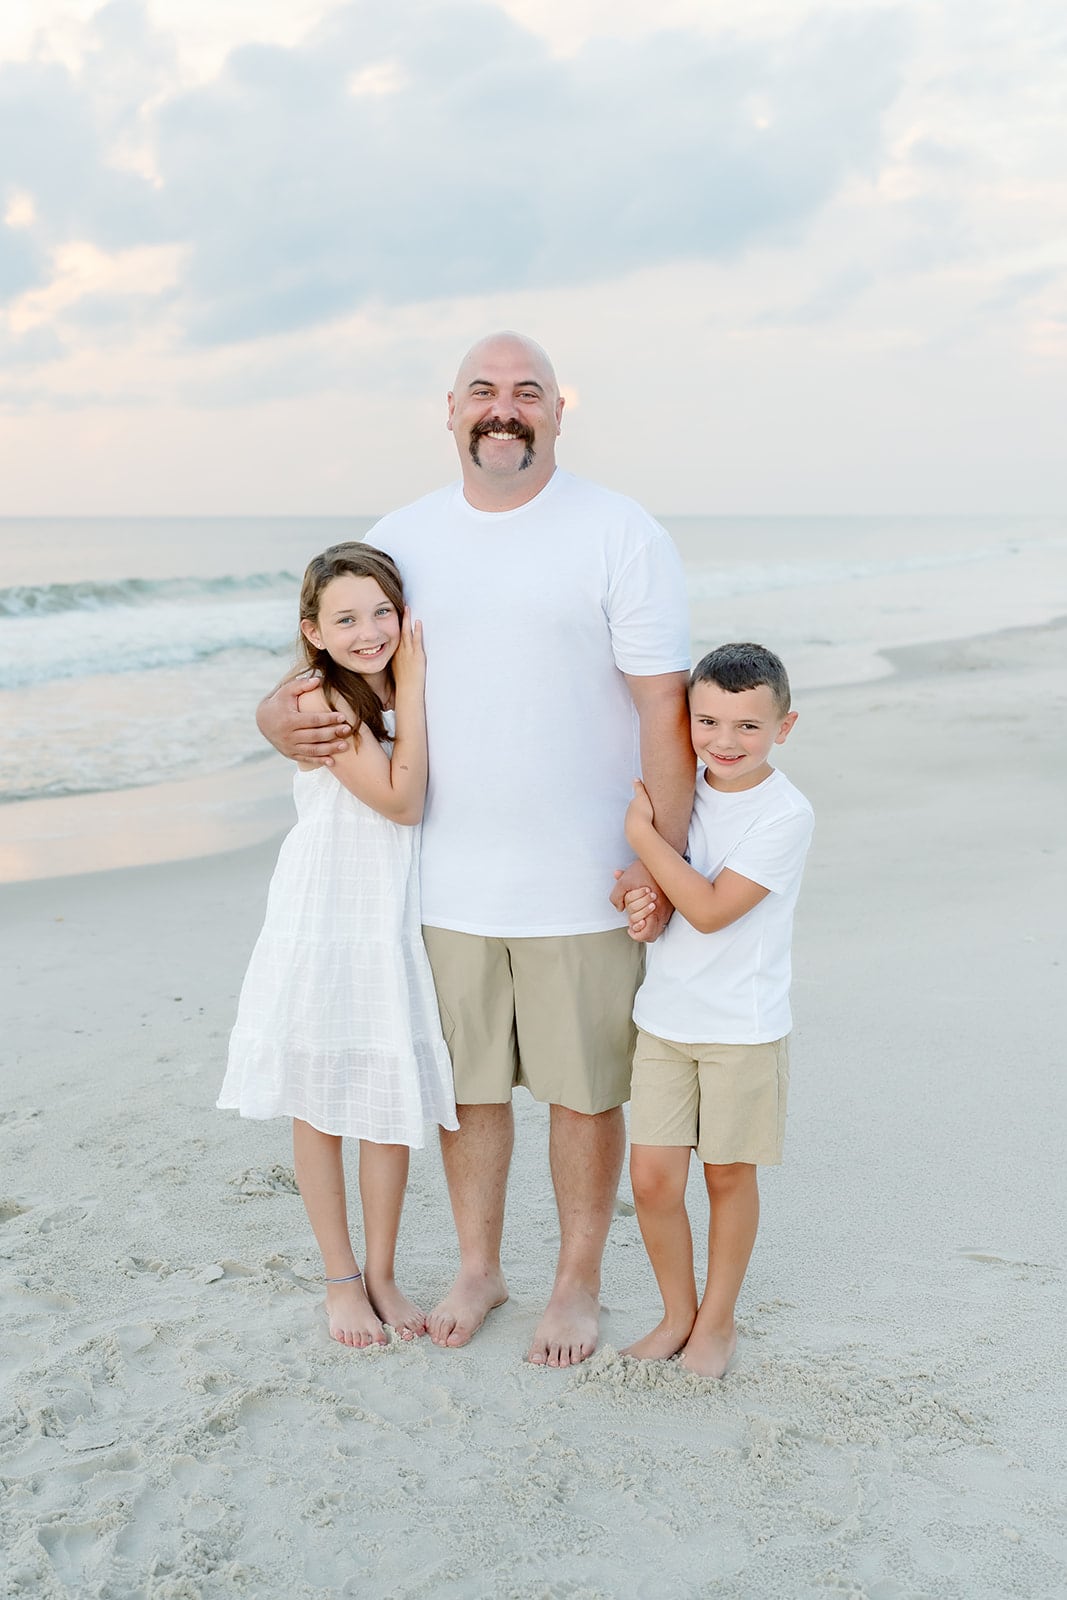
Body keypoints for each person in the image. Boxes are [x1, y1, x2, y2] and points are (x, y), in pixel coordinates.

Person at [257, 332, 694, 1367]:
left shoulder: (618, 531)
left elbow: (661, 707)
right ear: (448, 409)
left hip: (585, 877)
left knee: (586, 1093)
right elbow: (333, 660)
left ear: (556, 411)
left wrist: (660, 861)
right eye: (484, 392)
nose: (505, 408)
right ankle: (477, 1266)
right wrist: (270, 716)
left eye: (526, 392)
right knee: (466, 1092)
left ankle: (576, 1285)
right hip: (435, 876)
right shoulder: (401, 537)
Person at [218, 543, 458, 1350]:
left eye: (382, 611)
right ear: (312, 632)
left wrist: (413, 689)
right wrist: (415, 691)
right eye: (345, 618)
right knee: (322, 1096)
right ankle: (341, 1279)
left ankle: (383, 1271)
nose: (369, 631)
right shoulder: (322, 699)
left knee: (384, 1091)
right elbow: (401, 800)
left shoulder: (393, 687)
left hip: (388, 915)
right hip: (328, 911)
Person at [618, 642, 814, 1377]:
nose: (723, 743)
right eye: (707, 723)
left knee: (726, 1176)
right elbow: (649, 889)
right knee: (652, 1183)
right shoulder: (677, 793)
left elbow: (706, 909)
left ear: (783, 728)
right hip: (664, 1021)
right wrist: (638, 902)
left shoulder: (783, 815)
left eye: (746, 728)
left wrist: (641, 836)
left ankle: (717, 1323)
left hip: (741, 1028)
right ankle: (676, 1312)